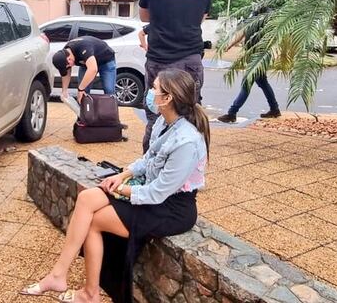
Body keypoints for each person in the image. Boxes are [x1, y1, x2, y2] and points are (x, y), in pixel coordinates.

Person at [21, 69, 209, 303]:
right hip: (150, 191)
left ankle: (88, 293)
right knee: (87, 198)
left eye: (155, 88)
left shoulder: (187, 142)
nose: (150, 92)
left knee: (94, 221)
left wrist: (120, 190)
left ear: (168, 98)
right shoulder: (164, 121)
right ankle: (59, 275)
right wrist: (123, 175)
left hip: (172, 209)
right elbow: (148, 159)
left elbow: (158, 192)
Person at [139, 0, 212, 152]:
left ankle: (150, 167)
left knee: (155, 113)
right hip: (190, 59)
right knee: (190, 113)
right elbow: (200, 18)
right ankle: (189, 170)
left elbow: (144, 18)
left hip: (159, 60)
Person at [217, 8, 280, 123]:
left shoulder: (269, 18)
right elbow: (242, 33)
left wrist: (275, 52)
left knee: (247, 83)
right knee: (263, 83)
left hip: (260, 57)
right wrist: (230, 45)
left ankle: (232, 113)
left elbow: (275, 36)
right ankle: (275, 109)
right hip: (253, 55)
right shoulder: (253, 16)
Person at [52, 36, 117, 105]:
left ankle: (110, 113)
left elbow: (93, 69)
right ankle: (83, 114)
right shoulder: (63, 55)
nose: (70, 67)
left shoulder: (83, 48)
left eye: (69, 65)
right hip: (87, 63)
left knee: (109, 91)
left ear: (69, 59)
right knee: (83, 93)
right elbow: (66, 73)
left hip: (106, 61)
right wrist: (64, 91)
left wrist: (80, 89)